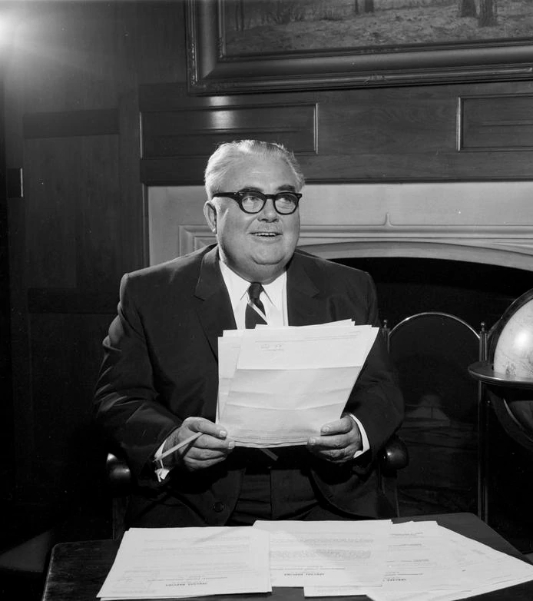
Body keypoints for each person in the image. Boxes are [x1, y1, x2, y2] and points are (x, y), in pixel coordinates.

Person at [94, 140, 404, 527]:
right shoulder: (150, 293)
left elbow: (381, 386)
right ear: (212, 215)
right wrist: (172, 440)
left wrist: (357, 433)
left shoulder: (349, 287)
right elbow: (118, 397)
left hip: (327, 499)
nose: (271, 215)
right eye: (250, 198)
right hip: (196, 503)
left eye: (284, 198)